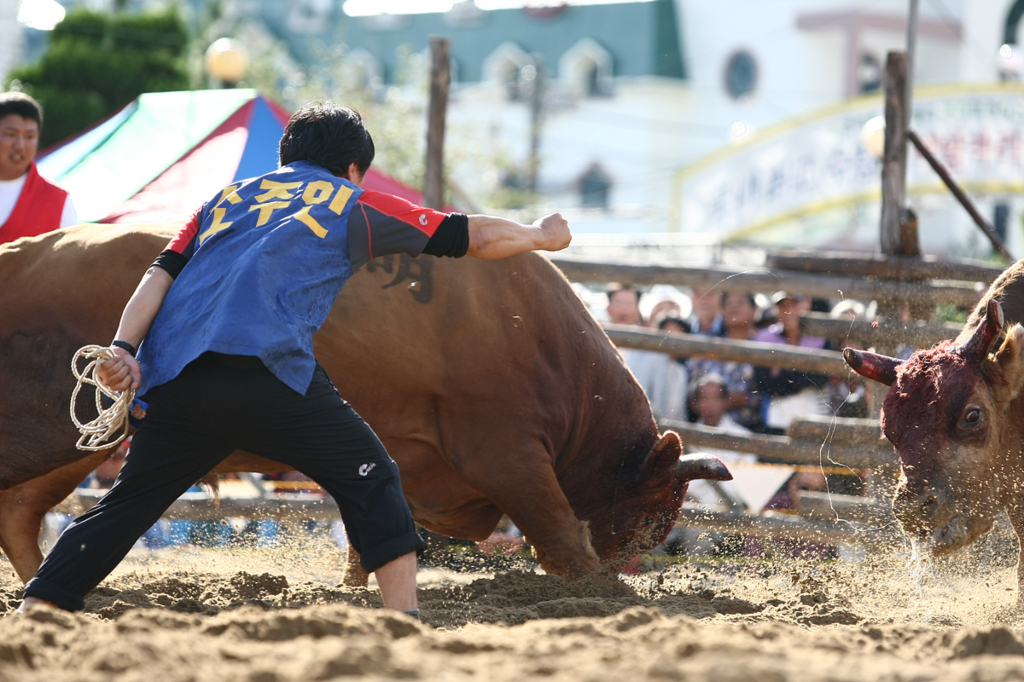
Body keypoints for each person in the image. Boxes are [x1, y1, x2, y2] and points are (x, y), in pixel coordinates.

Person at [19, 101, 571, 616]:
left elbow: (158, 276)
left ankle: (36, 609)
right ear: (353, 167)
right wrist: (539, 235)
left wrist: (123, 348)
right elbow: (468, 235)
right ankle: (403, 622)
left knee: (125, 507)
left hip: (179, 381)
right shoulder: (352, 201)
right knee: (374, 476)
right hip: (270, 374)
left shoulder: (224, 199)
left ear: (286, 157)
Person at [0, 92, 77, 244]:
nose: (20, 146)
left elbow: (73, 263)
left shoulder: (57, 201)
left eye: (29, 136)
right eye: (10, 134)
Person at [753, 291, 833, 435]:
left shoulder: (820, 337)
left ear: (806, 304)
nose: (788, 310)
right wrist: (804, 372)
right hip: (776, 421)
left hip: (815, 419)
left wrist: (781, 371)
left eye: (794, 304)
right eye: (783, 306)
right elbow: (763, 383)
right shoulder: (764, 338)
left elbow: (821, 378)